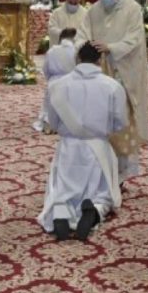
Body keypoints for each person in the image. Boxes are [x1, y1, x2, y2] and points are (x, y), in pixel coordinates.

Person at [37, 42, 126, 241]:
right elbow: (120, 123)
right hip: (98, 148)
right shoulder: (112, 86)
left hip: (68, 146)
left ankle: (61, 212)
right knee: (102, 193)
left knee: (62, 188)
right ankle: (94, 211)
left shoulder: (58, 86)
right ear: (99, 60)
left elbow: (53, 121)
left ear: (77, 59)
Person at [76, 0, 148, 181]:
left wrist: (111, 48)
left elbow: (135, 38)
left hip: (122, 72)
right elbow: (82, 33)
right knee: (99, 121)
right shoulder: (94, 10)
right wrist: (86, 47)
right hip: (97, 71)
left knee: (121, 121)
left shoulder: (132, 9)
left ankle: (121, 173)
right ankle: (99, 167)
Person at [35, 28, 77, 133]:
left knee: (51, 103)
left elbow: (45, 68)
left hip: (54, 81)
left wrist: (51, 79)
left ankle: (50, 124)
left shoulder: (52, 50)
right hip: (72, 81)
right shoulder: (76, 51)